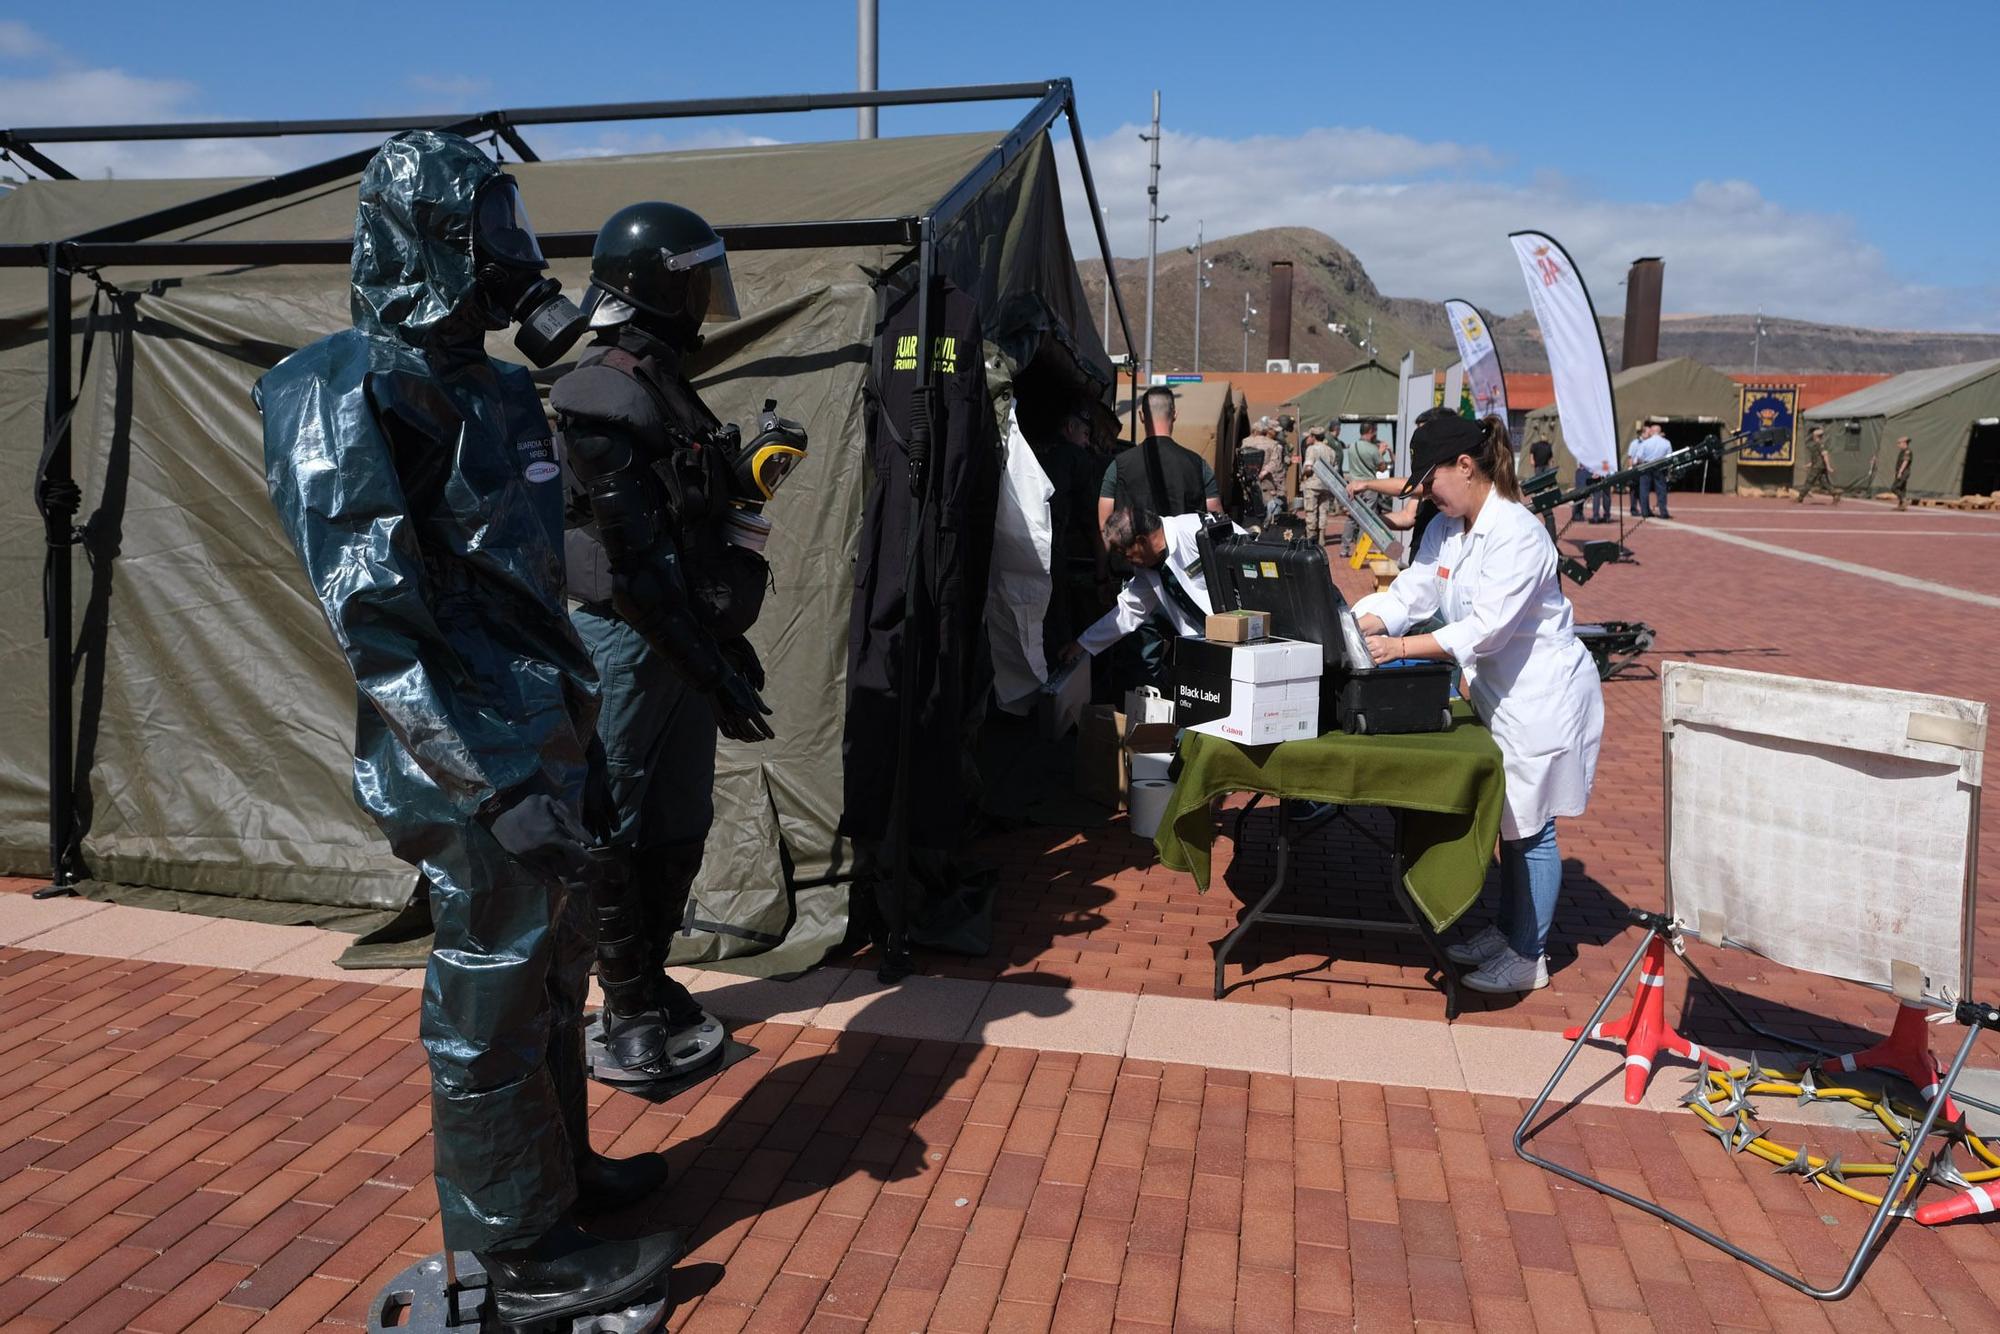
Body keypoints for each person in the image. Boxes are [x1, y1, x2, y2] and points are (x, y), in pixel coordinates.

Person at [257, 131, 683, 1326]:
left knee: (552, 974)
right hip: (464, 758)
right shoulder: (339, 387)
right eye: (492, 225)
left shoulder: (496, 388)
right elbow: (376, 623)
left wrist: (570, 745)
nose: (516, 251)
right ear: (430, 233)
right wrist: (492, 779)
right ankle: (517, 1254)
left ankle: (552, 1180)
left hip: (543, 729)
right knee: (491, 991)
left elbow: (527, 586)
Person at [553, 201, 792, 1087]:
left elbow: (685, 515)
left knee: (679, 815)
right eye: (695, 279)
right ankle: (622, 1003)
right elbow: (633, 565)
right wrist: (714, 664)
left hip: (681, 635)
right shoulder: (599, 394)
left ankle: (647, 979)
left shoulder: (659, 383)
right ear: (659, 284)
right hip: (627, 634)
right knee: (612, 820)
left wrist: (747, 470)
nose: (705, 298)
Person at [1351, 414, 1604, 995]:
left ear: (1465, 466)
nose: (1424, 493)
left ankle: (1529, 955)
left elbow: (1487, 627)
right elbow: (1415, 590)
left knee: (1530, 827)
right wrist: (1354, 625)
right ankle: (1510, 930)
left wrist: (1398, 647)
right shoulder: (1450, 525)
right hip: (1499, 691)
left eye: (1430, 479)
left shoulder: (1517, 532)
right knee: (1509, 818)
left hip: (1541, 695)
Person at [1060, 507, 1239, 675]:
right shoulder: (1147, 569)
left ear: (1141, 541)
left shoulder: (1192, 530)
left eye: (1124, 553)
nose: (1126, 561)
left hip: (1244, 634)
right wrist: (1082, 644)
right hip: (1203, 647)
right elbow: (1128, 611)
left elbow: (1250, 555)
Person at [1340, 422, 1387, 554]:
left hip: (1353, 485)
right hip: (1369, 486)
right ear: (1371, 431)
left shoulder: (1352, 447)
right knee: (1366, 518)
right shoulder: (1372, 449)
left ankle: (1344, 548)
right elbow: (1382, 468)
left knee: (1351, 517)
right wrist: (1381, 452)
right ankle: (1360, 551)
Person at [1301, 428, 1342, 546]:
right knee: (1323, 511)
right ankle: (1322, 537)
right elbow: (1335, 469)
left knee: (1311, 511)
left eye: (1309, 436)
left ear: (1314, 436)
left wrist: (1303, 474)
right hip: (1326, 484)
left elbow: (1308, 467)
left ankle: (1311, 537)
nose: (1307, 438)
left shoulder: (1312, 449)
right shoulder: (1331, 451)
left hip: (1312, 484)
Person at [1797, 425, 1841, 504]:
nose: (1812, 437)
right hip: (1819, 465)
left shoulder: (1820, 444)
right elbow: (1817, 457)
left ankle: (1800, 497)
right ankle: (1835, 494)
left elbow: (1825, 455)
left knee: (1809, 481)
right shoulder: (1817, 444)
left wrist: (1828, 467)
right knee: (1824, 482)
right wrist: (1809, 464)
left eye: (1814, 436)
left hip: (1818, 467)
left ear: (1816, 437)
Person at [1891, 435, 1913, 510]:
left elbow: (1905, 461)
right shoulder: (1902, 451)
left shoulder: (1907, 451)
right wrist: (1896, 473)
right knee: (1902, 489)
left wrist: (1900, 472)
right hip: (1901, 472)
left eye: (1899, 443)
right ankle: (1901, 506)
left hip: (1904, 472)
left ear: (1904, 443)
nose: (1898, 445)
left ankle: (1905, 500)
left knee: (1894, 488)